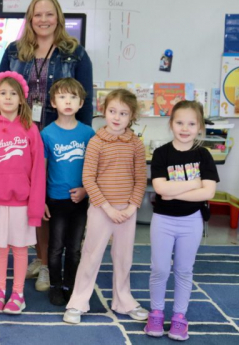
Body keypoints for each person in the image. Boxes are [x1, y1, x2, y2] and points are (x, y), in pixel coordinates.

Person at [0, 0, 94, 293]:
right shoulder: (14, 51)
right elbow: (2, 91)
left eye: (49, 14)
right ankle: (41, 260)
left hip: (61, 138)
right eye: (37, 14)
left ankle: (53, 262)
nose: (43, 20)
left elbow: (86, 105)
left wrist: (85, 145)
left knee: (55, 199)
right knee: (33, 199)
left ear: (59, 18)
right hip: (22, 135)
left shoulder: (76, 54)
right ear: (29, 19)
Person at [63, 89, 148, 324]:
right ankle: (78, 302)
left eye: (123, 113)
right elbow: (88, 178)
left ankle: (124, 300)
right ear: (105, 111)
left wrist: (131, 207)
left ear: (131, 117)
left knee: (124, 258)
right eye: (112, 111)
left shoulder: (136, 144)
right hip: (102, 210)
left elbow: (141, 178)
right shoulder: (96, 142)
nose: (117, 117)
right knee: (91, 255)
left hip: (127, 211)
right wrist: (108, 208)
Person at [145, 101, 218, 341]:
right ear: (171, 124)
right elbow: (159, 187)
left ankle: (179, 317)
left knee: (184, 270)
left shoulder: (203, 155)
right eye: (179, 123)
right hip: (163, 221)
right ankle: (156, 313)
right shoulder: (162, 153)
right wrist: (195, 183)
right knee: (160, 269)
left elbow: (208, 193)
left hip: (191, 221)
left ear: (200, 127)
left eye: (191, 124)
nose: (184, 128)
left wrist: (173, 190)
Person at [0, 71, 46, 315]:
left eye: (13, 93)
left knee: (19, 248)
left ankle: (17, 294)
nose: (8, 98)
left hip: (23, 203)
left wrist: (36, 209)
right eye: (3, 93)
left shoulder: (30, 130)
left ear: (21, 99)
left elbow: (38, 171)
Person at [40, 78, 95, 306]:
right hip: (55, 199)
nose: (68, 101)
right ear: (53, 102)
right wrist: (41, 200)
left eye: (73, 97)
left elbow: (94, 169)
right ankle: (55, 285)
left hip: (80, 200)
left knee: (74, 249)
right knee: (55, 247)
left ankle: (69, 285)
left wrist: (85, 191)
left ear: (81, 103)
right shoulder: (47, 133)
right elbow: (41, 171)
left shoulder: (88, 133)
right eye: (62, 97)